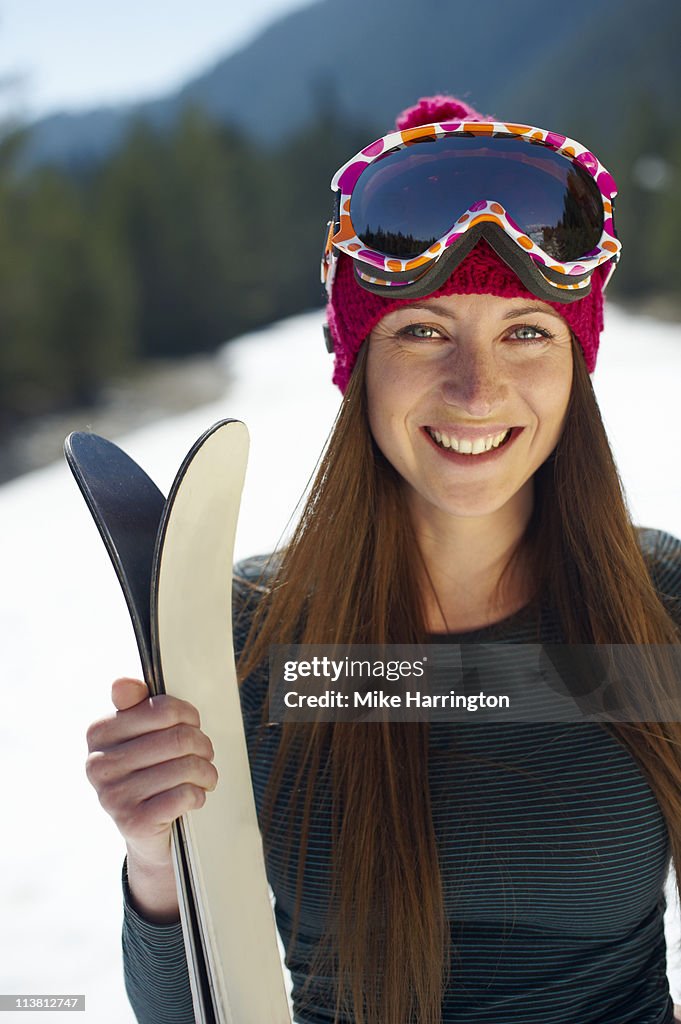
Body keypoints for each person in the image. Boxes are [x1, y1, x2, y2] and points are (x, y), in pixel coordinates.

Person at [85, 95, 681, 1024]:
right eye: (422, 331)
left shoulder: (653, 608)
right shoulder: (249, 637)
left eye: (526, 332)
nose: (476, 391)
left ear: (575, 365)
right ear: (361, 365)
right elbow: (201, 1005)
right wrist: (158, 861)